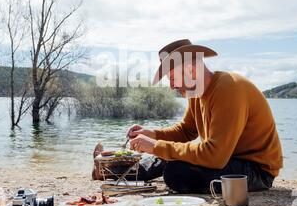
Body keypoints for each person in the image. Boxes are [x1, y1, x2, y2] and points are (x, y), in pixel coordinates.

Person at [92, 39, 283, 193]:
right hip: (227, 160)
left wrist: (157, 146)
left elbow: (215, 156)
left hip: (256, 171)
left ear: (191, 70)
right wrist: (152, 134)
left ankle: (113, 172)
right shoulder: (196, 93)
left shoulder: (228, 88)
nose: (172, 86)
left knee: (176, 172)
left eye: (173, 78)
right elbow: (185, 131)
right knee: (170, 155)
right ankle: (108, 172)